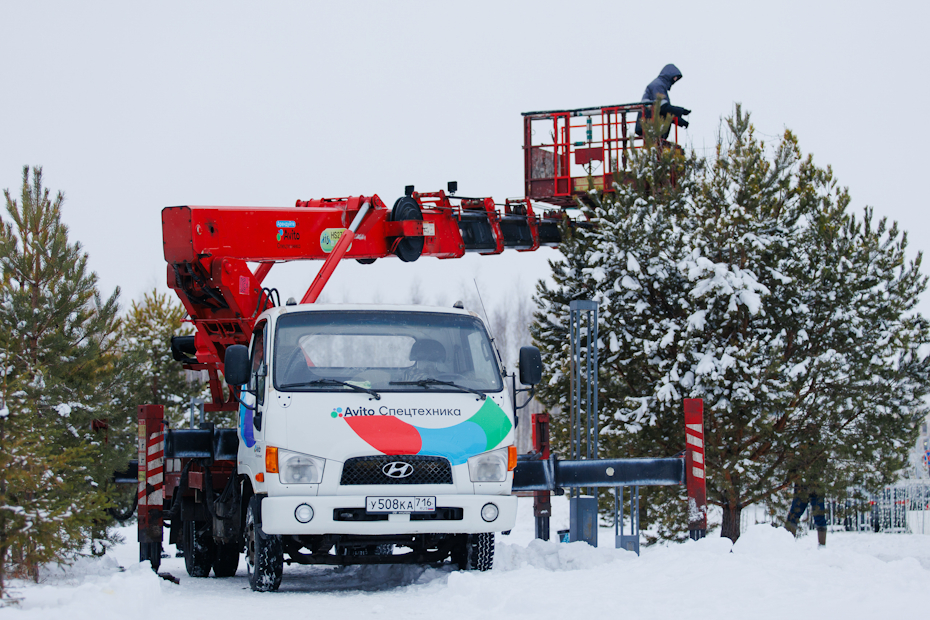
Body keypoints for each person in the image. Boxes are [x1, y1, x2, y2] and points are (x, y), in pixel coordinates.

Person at [635, 64, 691, 138]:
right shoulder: (657, 86)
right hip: (649, 124)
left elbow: (664, 111)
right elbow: (663, 108)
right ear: (669, 75)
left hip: (650, 123)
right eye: (675, 77)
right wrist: (681, 111)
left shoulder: (659, 86)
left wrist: (679, 120)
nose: (675, 80)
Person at [784, 481, 828, 546]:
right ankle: (788, 544)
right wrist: (787, 481)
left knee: (819, 516)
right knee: (793, 517)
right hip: (802, 487)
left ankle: (822, 546)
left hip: (816, 487)